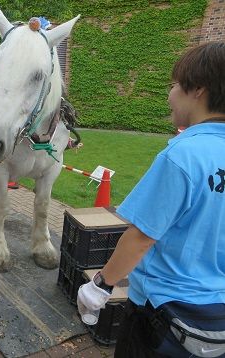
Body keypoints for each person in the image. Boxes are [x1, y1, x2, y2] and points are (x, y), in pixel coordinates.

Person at [77, 41, 225, 357]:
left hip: (162, 316)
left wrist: (100, 286)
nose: (169, 95)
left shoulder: (184, 154)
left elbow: (142, 236)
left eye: (173, 85)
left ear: (198, 89)